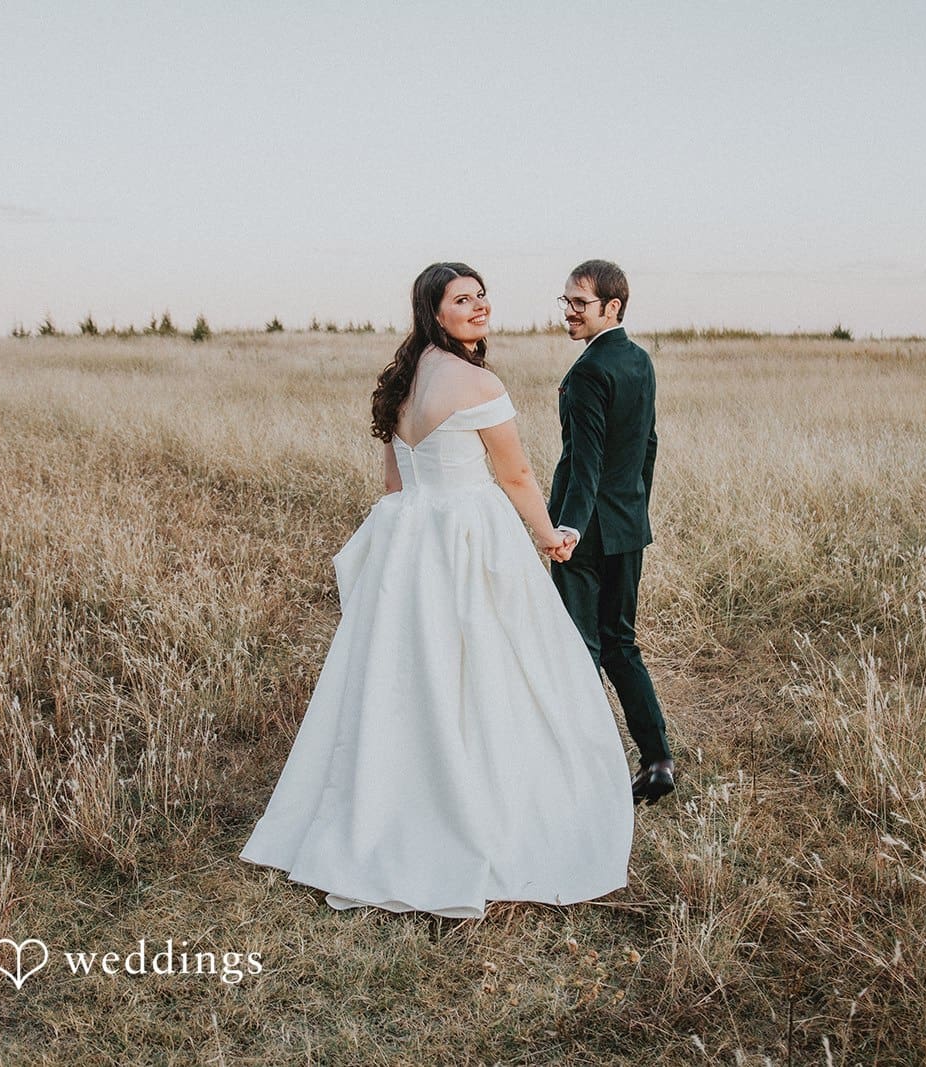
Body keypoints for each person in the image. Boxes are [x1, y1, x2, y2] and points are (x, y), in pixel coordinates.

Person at [238, 262, 634, 919]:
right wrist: (549, 535)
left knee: (408, 675)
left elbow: (394, 486)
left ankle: (397, 796)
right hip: (470, 534)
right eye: (461, 299)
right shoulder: (477, 380)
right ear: (435, 311)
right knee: (492, 668)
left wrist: (403, 555)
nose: (478, 306)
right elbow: (515, 473)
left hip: (411, 541)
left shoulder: (401, 381)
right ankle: (476, 805)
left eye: (481, 295)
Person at [547, 260, 674, 805]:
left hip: (587, 535)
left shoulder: (586, 373)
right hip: (627, 526)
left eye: (580, 303)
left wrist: (567, 528)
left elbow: (586, 466)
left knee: (581, 649)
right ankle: (657, 758)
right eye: (567, 302)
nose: (569, 312)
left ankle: (588, 773)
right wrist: (636, 506)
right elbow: (647, 446)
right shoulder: (639, 361)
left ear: (611, 307)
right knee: (622, 643)